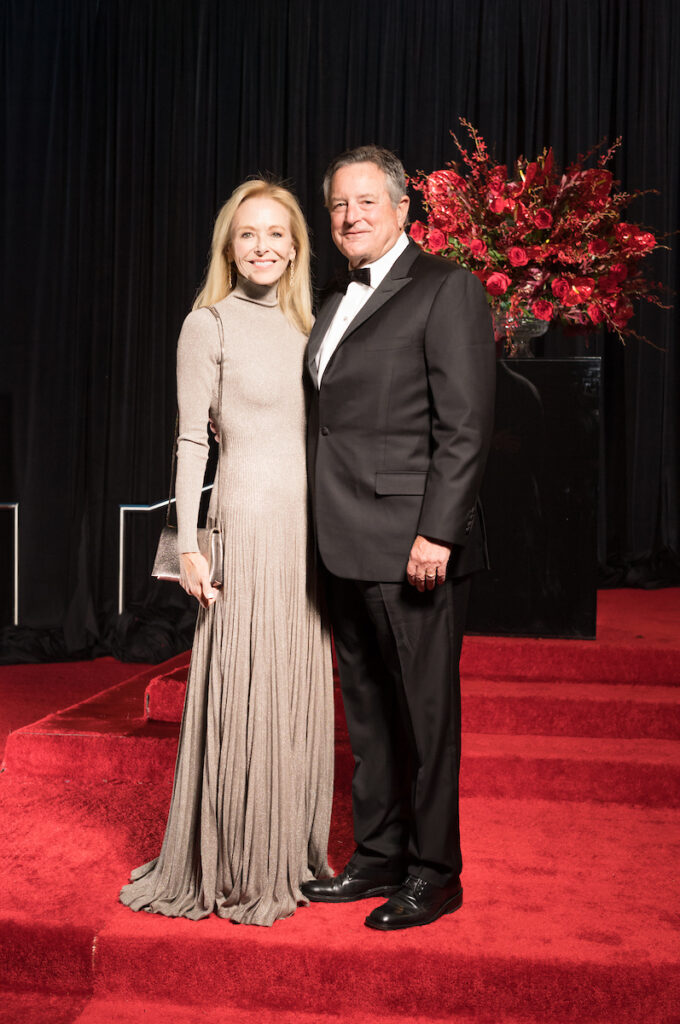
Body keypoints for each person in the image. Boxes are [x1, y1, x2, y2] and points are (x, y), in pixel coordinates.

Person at [120, 180, 334, 927]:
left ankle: (289, 852)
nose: (264, 246)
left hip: (309, 533)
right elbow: (188, 443)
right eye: (249, 234)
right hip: (241, 519)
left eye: (279, 233)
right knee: (242, 685)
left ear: (297, 247)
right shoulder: (205, 325)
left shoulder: (318, 324)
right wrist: (189, 547)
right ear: (229, 246)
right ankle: (235, 859)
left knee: (293, 684)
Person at [301, 146, 496, 930]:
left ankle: (435, 872)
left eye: (366, 202)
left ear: (403, 209)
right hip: (339, 539)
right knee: (370, 710)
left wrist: (437, 535)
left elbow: (467, 426)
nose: (351, 216)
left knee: (425, 716)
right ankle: (379, 855)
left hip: (412, 543)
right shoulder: (330, 299)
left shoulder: (445, 289)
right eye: (340, 205)